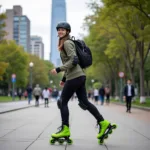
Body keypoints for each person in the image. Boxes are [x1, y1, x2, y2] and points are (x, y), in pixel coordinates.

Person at [49, 22, 116, 143]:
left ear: (68, 31)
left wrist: (58, 69)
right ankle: (103, 122)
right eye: (58, 29)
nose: (60, 31)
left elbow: (73, 61)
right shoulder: (66, 43)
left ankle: (65, 129)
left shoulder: (67, 43)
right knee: (84, 101)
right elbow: (72, 63)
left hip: (75, 77)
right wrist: (64, 79)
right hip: (79, 76)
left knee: (62, 101)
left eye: (63, 30)